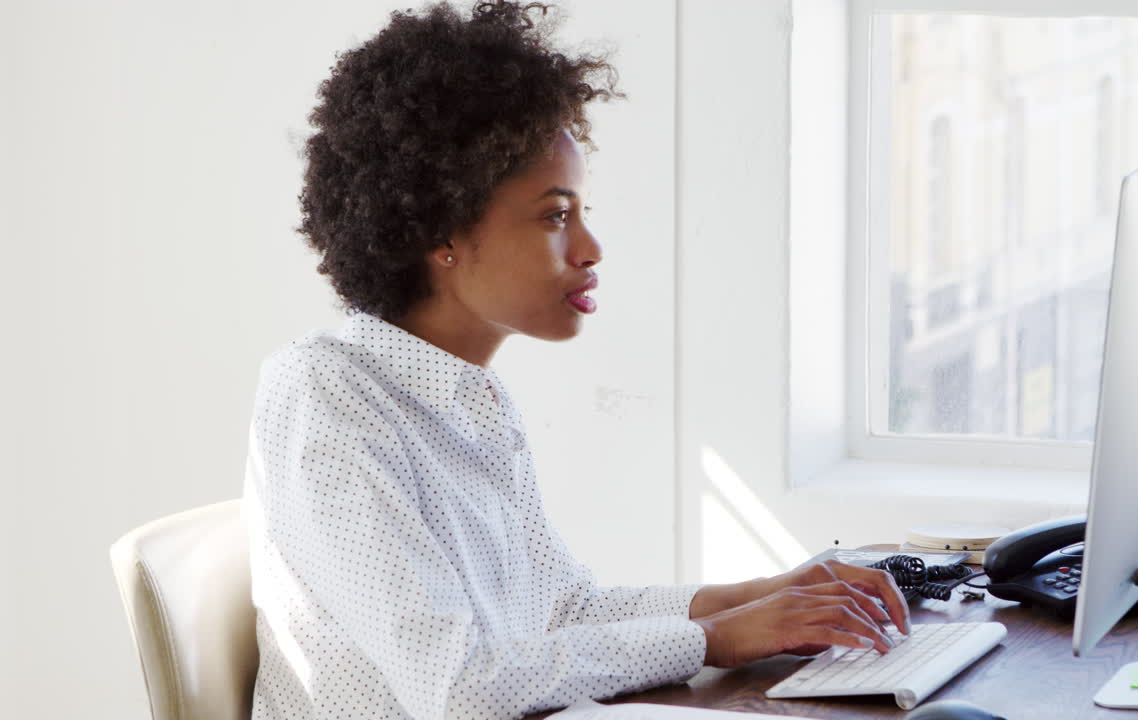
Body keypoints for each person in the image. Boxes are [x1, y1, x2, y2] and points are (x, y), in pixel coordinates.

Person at [241, 2, 911, 718]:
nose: (590, 248)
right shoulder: (325, 394)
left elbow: (557, 611)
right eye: (556, 215)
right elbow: (459, 691)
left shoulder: (473, 400)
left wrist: (764, 597)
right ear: (442, 231)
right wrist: (711, 638)